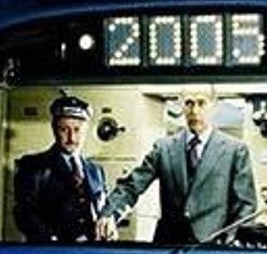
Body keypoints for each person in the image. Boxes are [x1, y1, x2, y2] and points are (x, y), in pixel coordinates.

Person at [96, 88, 257, 245]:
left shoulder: (235, 150)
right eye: (189, 103)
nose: (194, 110)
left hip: (214, 248)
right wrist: (110, 214)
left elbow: (245, 206)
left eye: (201, 103)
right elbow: (132, 186)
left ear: (213, 106)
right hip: (168, 246)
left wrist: (229, 241)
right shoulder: (164, 148)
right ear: (182, 106)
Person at [13, 93, 108, 242]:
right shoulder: (33, 166)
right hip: (51, 252)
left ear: (86, 130)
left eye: (77, 130)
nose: (71, 137)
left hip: (90, 251)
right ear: (54, 129)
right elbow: (23, 213)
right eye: (64, 129)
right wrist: (50, 239)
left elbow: (101, 208)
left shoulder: (95, 171)